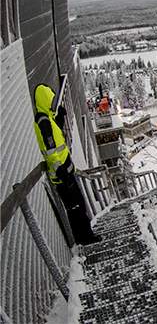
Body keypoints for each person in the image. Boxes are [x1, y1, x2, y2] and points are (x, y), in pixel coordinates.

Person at [33, 84, 100, 245]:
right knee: (76, 208)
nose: (52, 102)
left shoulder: (47, 118)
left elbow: (55, 140)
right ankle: (86, 238)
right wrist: (60, 171)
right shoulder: (43, 121)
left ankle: (85, 236)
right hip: (63, 176)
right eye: (50, 99)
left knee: (78, 206)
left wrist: (60, 120)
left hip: (67, 173)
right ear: (44, 100)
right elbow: (50, 150)